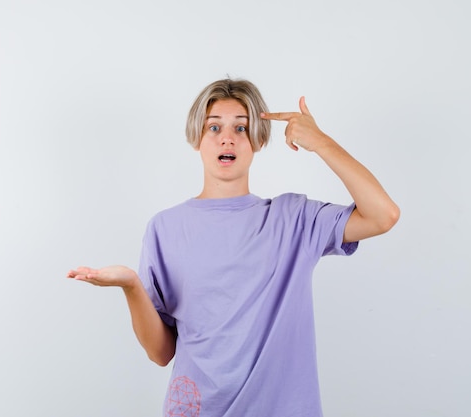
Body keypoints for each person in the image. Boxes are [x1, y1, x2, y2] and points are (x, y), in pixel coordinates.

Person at [67, 79, 400, 417]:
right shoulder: (165, 228)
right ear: (197, 137)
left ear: (258, 139)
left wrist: (322, 143)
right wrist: (131, 285)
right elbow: (161, 353)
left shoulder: (294, 219)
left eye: (241, 128)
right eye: (214, 127)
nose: (227, 137)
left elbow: (383, 215)